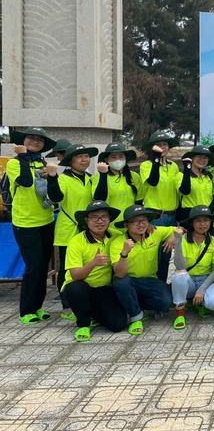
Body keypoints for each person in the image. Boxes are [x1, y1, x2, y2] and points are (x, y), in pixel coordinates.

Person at [7, 127, 58, 325]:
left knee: (43, 266)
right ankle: (27, 309)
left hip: (46, 221)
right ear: (23, 141)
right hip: (25, 223)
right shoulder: (14, 163)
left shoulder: (42, 163)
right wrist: (21, 157)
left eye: (39, 140)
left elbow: (53, 192)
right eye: (31, 138)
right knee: (33, 266)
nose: (35, 142)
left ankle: (38, 306)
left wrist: (52, 176)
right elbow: (26, 182)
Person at [60, 200, 126, 342]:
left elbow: (134, 232)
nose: (100, 221)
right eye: (94, 218)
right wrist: (93, 263)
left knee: (118, 324)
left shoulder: (115, 235)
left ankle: (92, 312)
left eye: (104, 217)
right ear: (86, 220)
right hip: (80, 287)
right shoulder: (76, 242)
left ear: (109, 219)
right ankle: (83, 324)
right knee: (77, 288)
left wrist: (149, 227)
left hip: (103, 288)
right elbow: (75, 276)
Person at [46, 144, 99, 322]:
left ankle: (87, 302)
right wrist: (52, 178)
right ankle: (67, 305)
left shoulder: (91, 178)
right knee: (67, 269)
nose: (84, 159)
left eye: (87, 156)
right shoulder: (63, 179)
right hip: (69, 229)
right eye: (79, 156)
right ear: (70, 160)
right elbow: (56, 197)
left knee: (88, 264)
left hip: (89, 229)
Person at [110, 205, 178, 335]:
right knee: (121, 283)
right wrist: (124, 253)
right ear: (126, 225)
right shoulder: (118, 242)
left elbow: (182, 229)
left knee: (166, 302)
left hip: (149, 280)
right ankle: (136, 317)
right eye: (135, 222)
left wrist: (174, 236)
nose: (141, 224)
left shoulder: (154, 232)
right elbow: (120, 273)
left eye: (144, 220)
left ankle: (137, 305)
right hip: (129, 280)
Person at [170, 205, 214, 329]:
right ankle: (180, 312)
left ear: (210, 222)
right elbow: (180, 266)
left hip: (207, 280)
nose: (202, 224)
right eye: (198, 221)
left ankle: (199, 303)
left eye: (206, 220)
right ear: (192, 223)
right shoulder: (183, 240)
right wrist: (178, 241)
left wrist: (202, 290)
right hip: (188, 281)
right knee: (179, 275)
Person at [139, 130, 180, 280]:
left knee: (166, 255)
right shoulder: (146, 165)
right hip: (156, 215)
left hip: (171, 215)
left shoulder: (173, 166)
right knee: (154, 255)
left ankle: (162, 284)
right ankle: (151, 285)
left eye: (165, 145)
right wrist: (156, 159)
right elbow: (153, 181)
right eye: (158, 145)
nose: (162, 147)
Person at [93, 142, 143, 236]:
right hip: (108, 227)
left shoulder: (134, 177)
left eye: (121, 156)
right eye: (113, 157)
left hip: (131, 225)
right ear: (106, 160)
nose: (118, 160)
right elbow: (99, 198)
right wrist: (103, 174)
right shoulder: (98, 178)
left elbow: (139, 202)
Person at [176, 144, 214, 220]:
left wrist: (207, 212)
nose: (202, 160)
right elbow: (185, 191)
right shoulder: (180, 175)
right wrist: (187, 169)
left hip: (206, 215)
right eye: (199, 156)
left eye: (205, 158)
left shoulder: (209, 176)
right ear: (192, 158)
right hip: (188, 216)